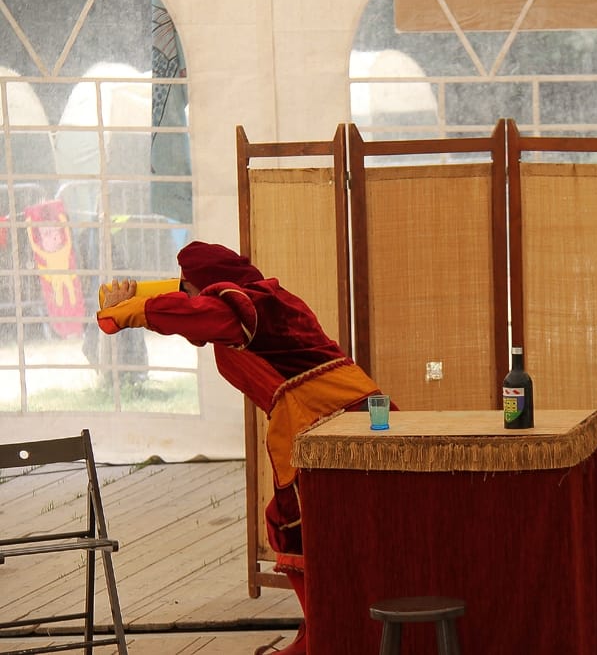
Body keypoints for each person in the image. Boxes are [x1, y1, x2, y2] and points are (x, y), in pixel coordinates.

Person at [96, 240, 383, 655]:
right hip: (324, 423)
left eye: (188, 288)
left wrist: (128, 312)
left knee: (304, 529)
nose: (187, 297)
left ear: (208, 287)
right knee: (292, 528)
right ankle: (326, 633)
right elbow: (201, 317)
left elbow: (201, 315)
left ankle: (334, 639)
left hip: (339, 425)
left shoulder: (248, 305)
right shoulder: (266, 298)